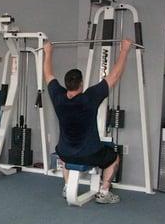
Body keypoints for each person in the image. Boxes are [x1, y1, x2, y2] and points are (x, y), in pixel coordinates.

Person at [44, 39, 133, 204]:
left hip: (65, 153)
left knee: (63, 153)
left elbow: (48, 75)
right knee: (113, 157)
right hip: (89, 155)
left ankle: (66, 186)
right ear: (81, 84)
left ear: (66, 84)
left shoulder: (57, 96)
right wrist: (124, 51)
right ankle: (104, 192)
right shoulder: (89, 97)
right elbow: (114, 76)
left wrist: (48, 52)